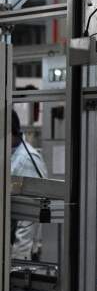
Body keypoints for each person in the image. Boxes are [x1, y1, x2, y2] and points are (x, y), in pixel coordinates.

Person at [9, 110, 48, 261]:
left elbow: (28, 219)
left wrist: (18, 263)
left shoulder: (27, 160)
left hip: (18, 252)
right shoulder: (9, 154)